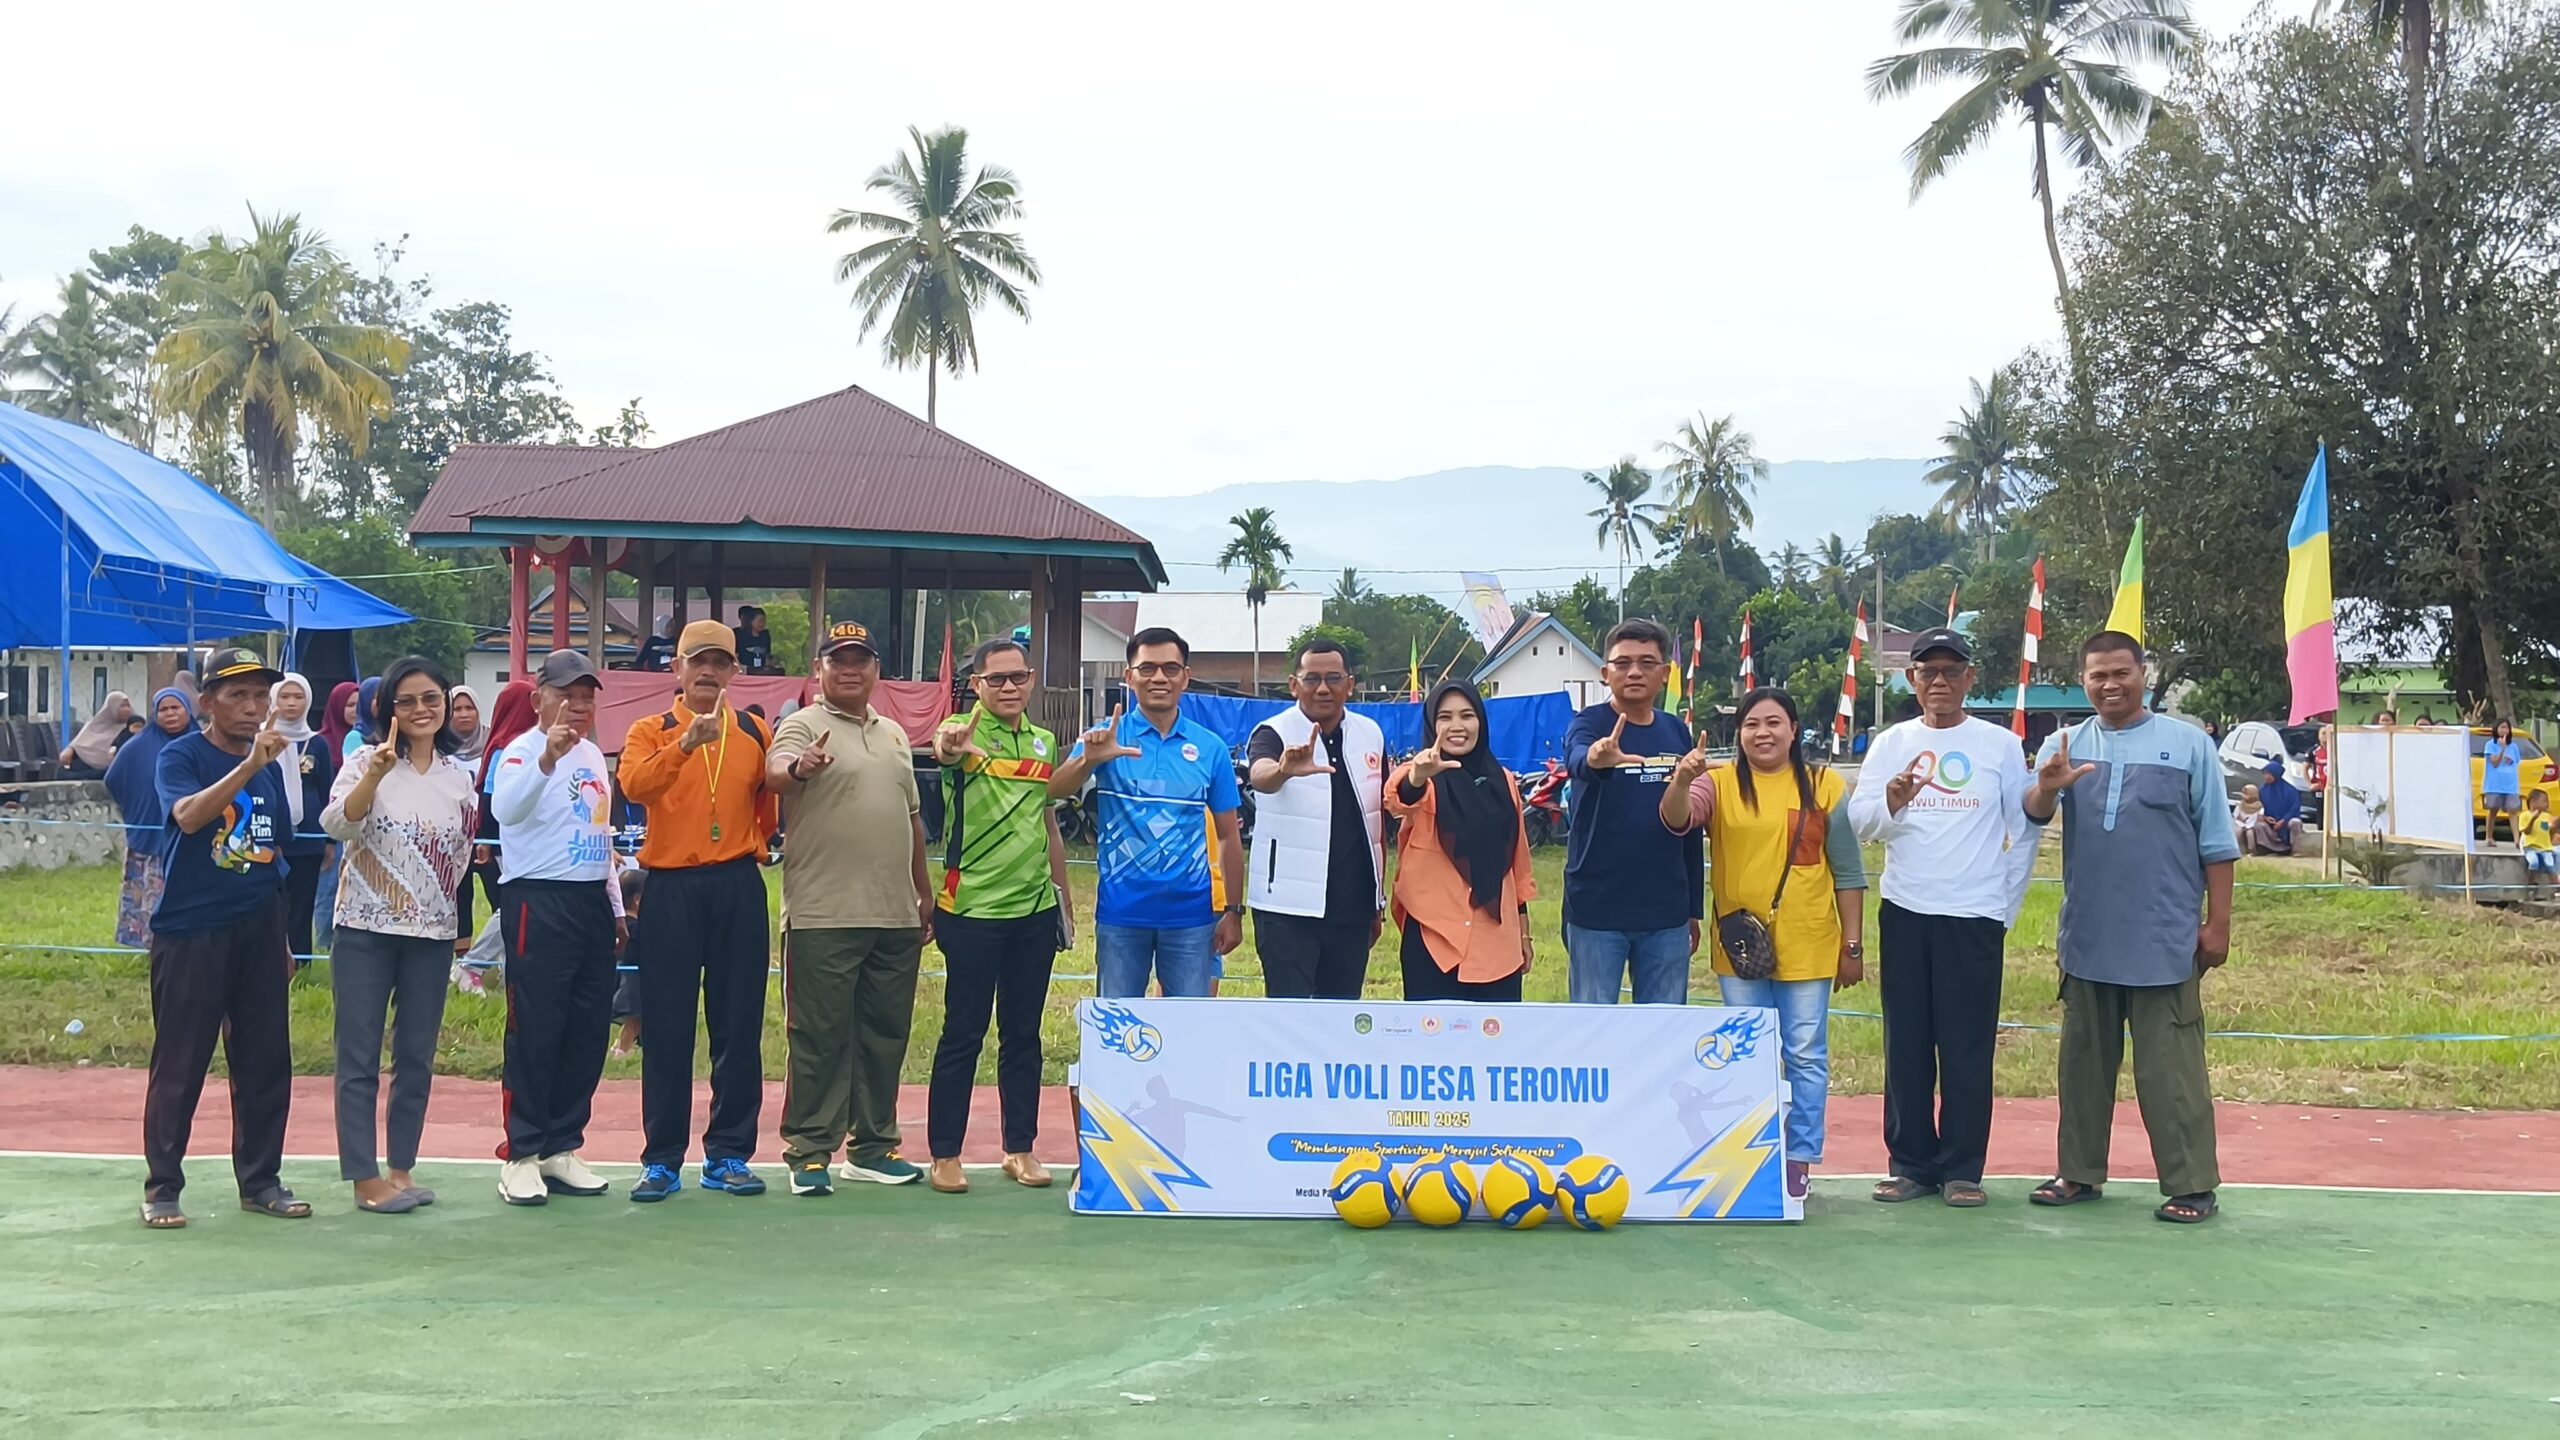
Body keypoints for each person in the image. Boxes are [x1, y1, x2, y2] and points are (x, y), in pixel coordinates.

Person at [2024, 631, 2237, 1225]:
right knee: (2083, 1066)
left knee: (2171, 1071)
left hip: (2164, 937)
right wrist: (2048, 786)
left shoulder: (2188, 744)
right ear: (2083, 681)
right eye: (2097, 675)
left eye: (2121, 673)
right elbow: (2034, 813)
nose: (2110, 685)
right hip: (2088, 935)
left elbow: (2217, 843)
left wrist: (2218, 924)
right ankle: (2078, 1172)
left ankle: (2192, 1184)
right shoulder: (2065, 745)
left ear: (2143, 675)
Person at [1845, 627, 2036, 1209]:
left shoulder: (1999, 745)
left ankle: (1962, 1168)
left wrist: (2002, 909)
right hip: (1906, 911)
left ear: (1970, 678)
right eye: (1928, 671)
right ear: (1911, 679)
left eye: (1952, 671)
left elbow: (2023, 832)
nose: (1940, 681)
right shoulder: (1891, 743)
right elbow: (1860, 824)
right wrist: (1894, 800)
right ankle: (1911, 1165)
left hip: (1974, 916)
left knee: (1966, 1048)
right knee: (1906, 1044)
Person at [1662, 687, 1867, 1201]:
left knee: (1805, 1054)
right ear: (1740, 733)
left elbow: (1848, 873)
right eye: (1752, 724)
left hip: (1810, 941)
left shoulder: (1825, 786)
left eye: (1774, 723)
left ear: (1794, 730)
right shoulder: (1718, 783)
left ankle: (1799, 1157)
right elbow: (1677, 819)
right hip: (1741, 948)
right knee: (1745, 1057)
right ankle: (1750, 1154)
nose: (1763, 733)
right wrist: (1682, 780)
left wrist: (1853, 946)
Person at [765, 621, 934, 1194]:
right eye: (838, 660)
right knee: (819, 1036)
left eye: (860, 659)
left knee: (885, 1035)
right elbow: (775, 775)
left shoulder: (894, 734)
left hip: (894, 912)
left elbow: (912, 819)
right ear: (819, 670)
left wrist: (923, 892)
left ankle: (873, 1146)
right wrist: (800, 768)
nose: (850, 669)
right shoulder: (802, 724)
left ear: (876, 670)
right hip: (824, 913)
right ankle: (810, 1150)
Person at [138, 647, 304, 1228]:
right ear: (207, 702)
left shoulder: (271, 764)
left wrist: (282, 939)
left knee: (265, 1059)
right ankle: (163, 1186)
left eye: (260, 695)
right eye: (238, 695)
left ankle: (261, 1181)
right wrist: (248, 768)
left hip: (258, 926)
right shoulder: (182, 755)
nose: (253, 707)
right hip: (192, 929)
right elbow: (187, 816)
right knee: (181, 1061)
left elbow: (274, 850)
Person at [620, 619, 781, 1202]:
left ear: (735, 670)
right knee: (667, 1024)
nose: (708, 671)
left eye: (719, 662)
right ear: (677, 668)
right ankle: (662, 1159)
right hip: (670, 886)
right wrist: (685, 746)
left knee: (738, 1023)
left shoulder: (754, 730)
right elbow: (634, 787)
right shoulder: (650, 729)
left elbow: (766, 805)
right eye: (697, 661)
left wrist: (747, 844)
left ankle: (729, 1152)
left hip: (737, 882)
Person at [320, 656, 477, 1215]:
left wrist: (436, 910)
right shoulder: (365, 761)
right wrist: (375, 776)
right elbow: (337, 824)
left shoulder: (460, 778)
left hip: (431, 934)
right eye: (406, 701)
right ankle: (364, 1178)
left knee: (416, 1055)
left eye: (431, 698)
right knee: (358, 1055)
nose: (420, 710)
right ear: (387, 708)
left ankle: (401, 1168)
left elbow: (461, 854)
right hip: (365, 930)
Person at [921, 636, 1075, 1194]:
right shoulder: (960, 730)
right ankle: (945, 1154)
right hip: (971, 910)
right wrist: (950, 745)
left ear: (1031, 681)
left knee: (1023, 1035)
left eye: (1018, 677)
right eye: (996, 679)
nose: (1009, 687)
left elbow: (1047, 818)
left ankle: (1020, 1149)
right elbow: (944, 749)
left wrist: (1062, 894)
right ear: (977, 685)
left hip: (1032, 911)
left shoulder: (1043, 740)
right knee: (963, 1033)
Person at [487, 650, 625, 1207]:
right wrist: (548, 757)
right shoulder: (520, 751)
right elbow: (506, 811)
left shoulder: (592, 754)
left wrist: (615, 905)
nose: (579, 705)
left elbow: (600, 834)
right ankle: (521, 1153)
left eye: (587, 696)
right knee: (535, 1028)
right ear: (539, 696)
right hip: (537, 900)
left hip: (589, 900)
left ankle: (561, 1145)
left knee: (587, 1028)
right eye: (568, 694)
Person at [1048, 627, 1245, 998]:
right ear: (1129, 676)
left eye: (1170, 669)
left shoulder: (1210, 747)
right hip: (1121, 914)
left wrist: (1233, 910)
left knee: (1188, 1024)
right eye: (1147, 668)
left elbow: (1227, 835)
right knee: (1120, 1025)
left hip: (1191, 917)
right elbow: (1054, 791)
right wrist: (1087, 760)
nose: (1159, 678)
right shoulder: (1105, 736)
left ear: (1185, 677)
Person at [1560, 618, 1704, 1004]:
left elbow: (1689, 827)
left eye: (1647, 662)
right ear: (1605, 673)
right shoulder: (1589, 723)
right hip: (1597, 909)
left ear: (1665, 673)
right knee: (1592, 1027)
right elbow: (1577, 759)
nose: (1635, 672)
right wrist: (1597, 757)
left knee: (1663, 1028)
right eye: (1622, 663)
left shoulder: (1677, 732)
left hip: (1666, 912)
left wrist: (1692, 907)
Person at [1244, 638, 1386, 999]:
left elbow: (1377, 817)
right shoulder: (1273, 732)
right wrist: (1283, 770)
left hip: (1352, 907)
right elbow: (1260, 776)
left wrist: (1376, 900)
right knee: (1289, 1015)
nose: (1323, 688)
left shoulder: (1370, 734)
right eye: (1312, 679)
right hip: (1286, 909)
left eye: (1333, 678)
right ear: (1294, 685)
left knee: (1341, 1015)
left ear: (1350, 684)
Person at [1386, 680, 1536, 1001]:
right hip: (1434, 939)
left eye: (1467, 716)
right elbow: (1398, 798)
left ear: (1481, 721)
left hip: (1496, 943)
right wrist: (1418, 776)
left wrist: (1524, 933)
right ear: (1431, 724)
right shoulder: (1423, 775)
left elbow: (1516, 864)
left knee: (1497, 1031)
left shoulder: (1504, 781)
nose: (1457, 726)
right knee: (1430, 1032)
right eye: (1445, 717)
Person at [104, 688, 194, 950]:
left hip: (192, 838)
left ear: (188, 710)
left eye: (176, 708)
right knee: (153, 899)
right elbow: (114, 779)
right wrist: (137, 807)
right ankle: (157, 951)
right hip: (151, 838)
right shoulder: (137, 747)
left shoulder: (201, 742)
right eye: (163, 709)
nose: (170, 714)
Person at [458, 681, 538, 973]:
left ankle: (505, 969)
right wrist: (487, 841)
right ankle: (471, 966)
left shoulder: (524, 744)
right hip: (505, 841)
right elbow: (489, 797)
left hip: (517, 840)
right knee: (514, 905)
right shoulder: (507, 747)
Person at [266, 674, 335, 967]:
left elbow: (327, 790)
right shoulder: (264, 738)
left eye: (298, 697)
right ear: (273, 700)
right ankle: (270, 961)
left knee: (302, 903)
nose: (291, 703)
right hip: (269, 835)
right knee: (271, 903)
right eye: (285, 697)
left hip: (308, 838)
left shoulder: (316, 743)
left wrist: (329, 840)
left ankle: (301, 962)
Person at [610, 868, 646, 1057]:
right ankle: (621, 1050)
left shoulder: (620, 926)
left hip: (625, 977)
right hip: (632, 982)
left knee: (636, 1020)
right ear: (637, 899)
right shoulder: (636, 928)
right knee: (634, 1019)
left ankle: (625, 1046)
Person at [58, 691, 134, 778]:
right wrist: (69, 750)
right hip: (82, 769)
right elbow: (76, 745)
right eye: (122, 706)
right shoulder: (92, 726)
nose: (127, 709)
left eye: (128, 706)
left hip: (109, 773)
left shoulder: (130, 730)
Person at [2482, 719, 2525, 847]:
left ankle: (2517, 840)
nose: (2504, 730)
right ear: (2496, 729)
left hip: (2511, 785)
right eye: (2502, 727)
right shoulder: (2490, 745)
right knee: (2493, 810)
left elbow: (2515, 762)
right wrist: (2502, 749)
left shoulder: (2514, 747)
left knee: (2513, 811)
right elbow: (2494, 763)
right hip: (2494, 784)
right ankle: (2489, 837)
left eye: (2506, 727)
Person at [2247, 760, 2303, 856]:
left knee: (2295, 822)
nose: (2266, 776)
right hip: (2271, 823)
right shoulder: (2262, 790)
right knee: (2259, 825)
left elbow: (2295, 808)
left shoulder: (2290, 790)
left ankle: (2295, 850)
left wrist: (2283, 821)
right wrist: (2265, 818)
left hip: (2286, 821)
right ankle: (2268, 848)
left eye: (2269, 774)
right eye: (2265, 774)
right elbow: (2259, 808)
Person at [2521, 791, 2556, 898]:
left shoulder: (2547, 816)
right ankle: (2530, 885)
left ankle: (2555, 888)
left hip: (2545, 848)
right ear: (2533, 801)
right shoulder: (2524, 815)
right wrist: (2533, 819)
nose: (2547, 804)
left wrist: (2552, 830)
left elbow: (2546, 830)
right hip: (2530, 847)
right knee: (2534, 863)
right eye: (2544, 801)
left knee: (2550, 865)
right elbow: (2526, 831)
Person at [736, 605, 774, 673]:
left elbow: (767, 654)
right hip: (745, 669)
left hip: (762, 670)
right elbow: (735, 655)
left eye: (764, 621)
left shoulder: (765, 635)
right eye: (760, 621)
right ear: (751, 621)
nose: (762, 624)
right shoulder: (740, 635)